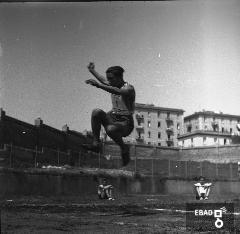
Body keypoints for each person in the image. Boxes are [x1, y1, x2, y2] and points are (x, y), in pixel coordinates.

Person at [84, 62, 135, 166]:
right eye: (109, 79)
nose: (109, 81)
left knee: (110, 129)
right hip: (113, 117)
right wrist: (92, 70)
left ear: (119, 77)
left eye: (111, 79)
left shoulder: (128, 88)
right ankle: (96, 144)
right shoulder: (113, 83)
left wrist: (99, 86)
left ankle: (124, 148)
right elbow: (103, 80)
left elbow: (117, 91)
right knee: (96, 112)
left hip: (125, 123)